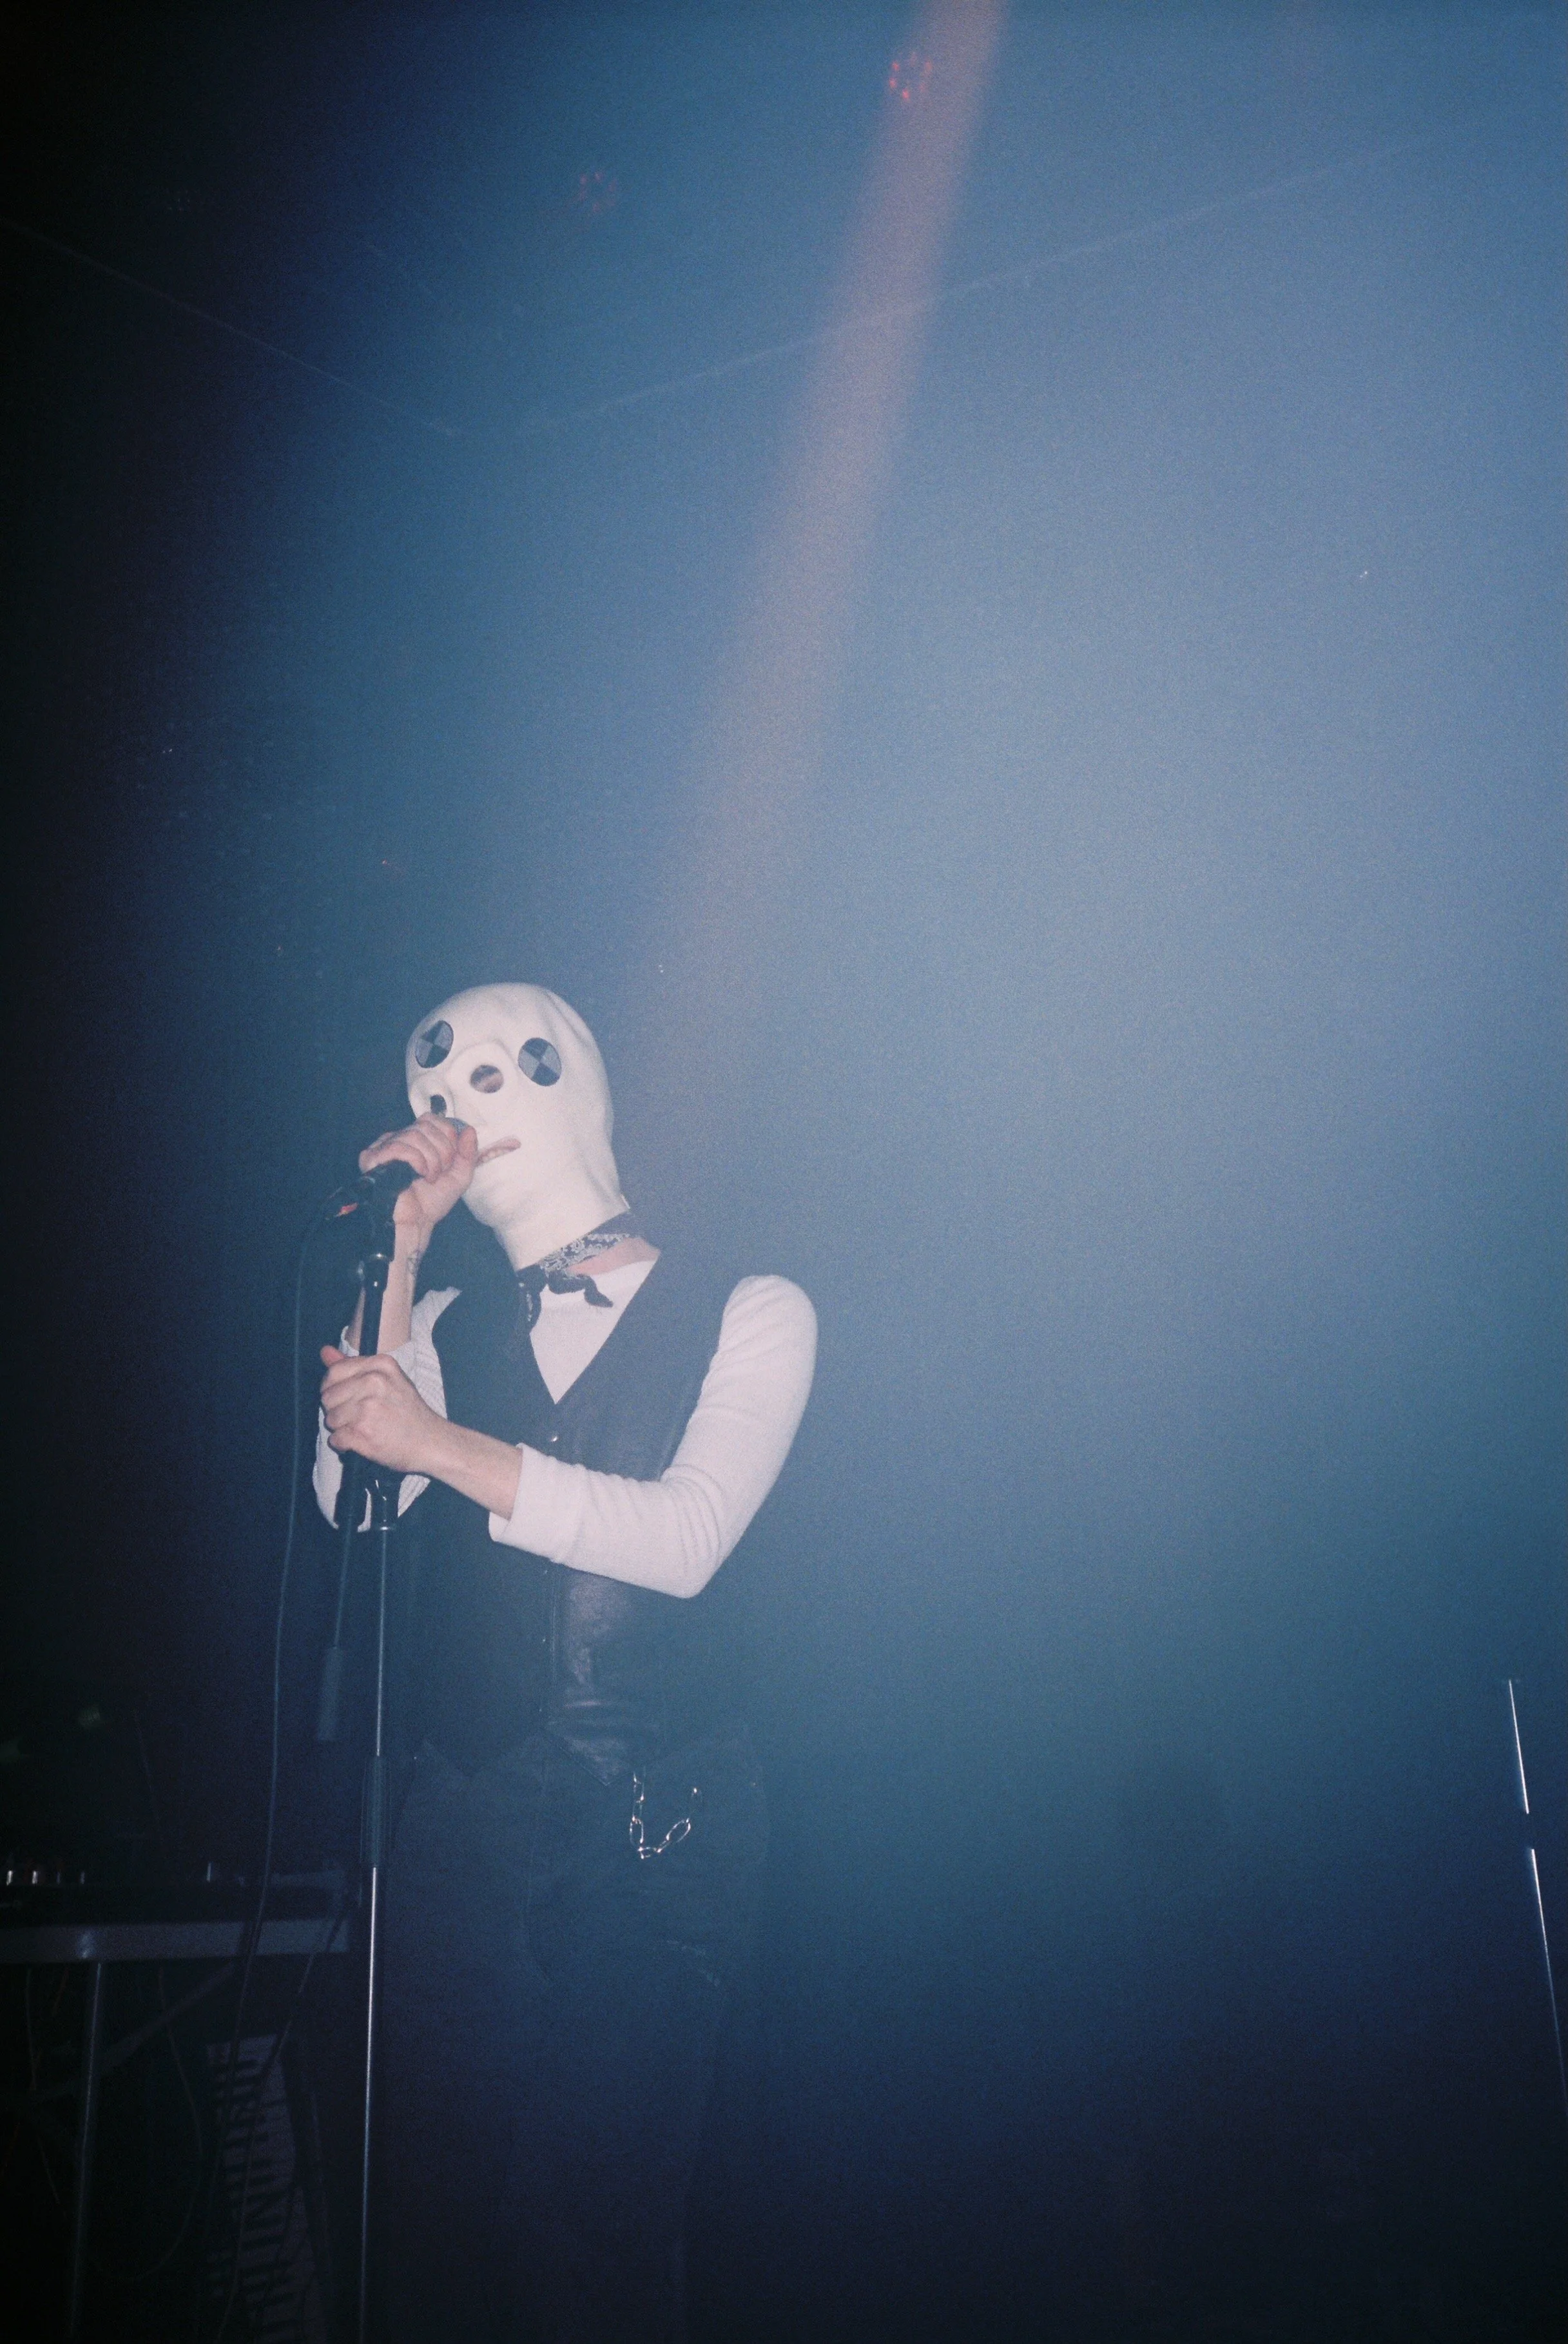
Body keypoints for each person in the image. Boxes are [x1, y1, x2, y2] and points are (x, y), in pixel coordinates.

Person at [314, 982, 816, 2343]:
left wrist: (441, 1445)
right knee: (438, 2219)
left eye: (496, 1078)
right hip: (464, 1821)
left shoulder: (752, 1303)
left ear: (572, 1080)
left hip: (659, 1824)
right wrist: (400, 1261)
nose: (458, 1114)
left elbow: (689, 1536)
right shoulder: (450, 1316)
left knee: (592, 2225)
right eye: (435, 1095)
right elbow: (349, 1494)